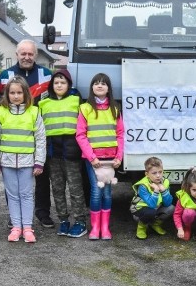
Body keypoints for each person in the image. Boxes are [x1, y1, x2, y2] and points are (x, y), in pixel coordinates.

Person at [0, 39, 54, 227]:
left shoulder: (46, 75)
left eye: (30, 54)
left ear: (35, 55)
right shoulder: (6, 76)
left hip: (41, 130)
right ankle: (15, 217)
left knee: (41, 175)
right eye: (23, 54)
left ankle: (43, 213)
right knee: (13, 182)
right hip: (14, 136)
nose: (27, 57)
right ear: (17, 54)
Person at [0, 76, 46, 243]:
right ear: (7, 94)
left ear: (25, 94)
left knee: (27, 195)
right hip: (7, 162)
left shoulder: (34, 112)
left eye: (19, 92)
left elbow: (41, 139)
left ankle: (27, 228)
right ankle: (16, 227)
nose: (15, 96)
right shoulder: (1, 112)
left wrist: (39, 162)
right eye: (12, 92)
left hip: (28, 162)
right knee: (12, 195)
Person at [37, 68, 90, 237]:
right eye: (56, 82)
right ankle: (64, 220)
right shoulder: (43, 103)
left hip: (72, 154)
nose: (59, 85)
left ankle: (80, 221)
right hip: (53, 154)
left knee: (75, 189)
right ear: (52, 85)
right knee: (57, 189)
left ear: (69, 85)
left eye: (63, 82)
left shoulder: (77, 101)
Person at [76, 72, 123, 241]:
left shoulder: (115, 108)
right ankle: (95, 228)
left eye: (103, 83)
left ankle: (105, 228)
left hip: (110, 160)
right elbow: (80, 135)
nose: (100, 85)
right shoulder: (85, 108)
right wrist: (91, 157)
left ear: (109, 88)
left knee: (108, 193)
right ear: (92, 87)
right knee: (96, 192)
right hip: (93, 160)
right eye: (96, 83)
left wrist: (119, 156)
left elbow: (120, 134)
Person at [130, 156, 173, 239]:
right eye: (154, 173)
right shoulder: (143, 185)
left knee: (171, 208)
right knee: (150, 212)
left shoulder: (165, 182)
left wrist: (163, 191)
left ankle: (155, 224)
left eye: (160, 172)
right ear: (147, 174)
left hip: (154, 208)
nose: (158, 175)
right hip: (139, 209)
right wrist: (156, 191)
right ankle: (141, 228)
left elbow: (168, 203)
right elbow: (152, 205)